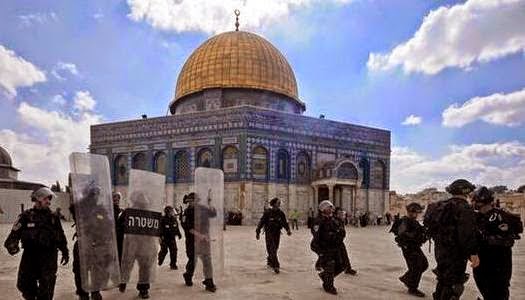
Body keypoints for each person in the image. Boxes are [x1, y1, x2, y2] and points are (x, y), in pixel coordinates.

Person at [4, 187, 69, 300]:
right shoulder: (26, 216)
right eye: (46, 199)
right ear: (38, 199)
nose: (49, 202)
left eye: (49, 199)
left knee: (46, 290)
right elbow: (14, 234)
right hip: (30, 257)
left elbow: (60, 236)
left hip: (48, 258)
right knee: (25, 286)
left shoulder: (53, 218)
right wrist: (12, 245)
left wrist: (65, 252)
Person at [424, 179, 479, 300]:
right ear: (467, 192)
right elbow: (466, 234)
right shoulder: (464, 208)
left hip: (440, 250)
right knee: (454, 284)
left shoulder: (439, 206)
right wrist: (473, 253)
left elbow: (429, 225)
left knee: (443, 279)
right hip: (456, 254)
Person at [471, 186, 522, 300]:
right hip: (485, 263)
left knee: (499, 292)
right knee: (490, 291)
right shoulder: (477, 217)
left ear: (479, 202)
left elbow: (514, 234)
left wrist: (490, 239)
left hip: (498, 263)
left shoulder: (501, 216)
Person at [70, 181, 115, 300]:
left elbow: (109, 224)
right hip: (83, 242)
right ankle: (83, 293)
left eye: (97, 194)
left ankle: (95, 291)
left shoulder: (101, 209)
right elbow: (73, 208)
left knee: (98, 269)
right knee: (80, 270)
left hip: (98, 244)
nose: (96, 196)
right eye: (93, 194)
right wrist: (86, 196)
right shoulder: (79, 207)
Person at [181, 192, 218, 292]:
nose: (192, 203)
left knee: (207, 260)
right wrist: (200, 236)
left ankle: (209, 281)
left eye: (194, 201)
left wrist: (210, 203)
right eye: (190, 201)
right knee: (193, 260)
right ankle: (188, 275)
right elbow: (188, 228)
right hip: (192, 240)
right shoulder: (186, 212)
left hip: (204, 240)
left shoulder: (202, 208)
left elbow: (213, 214)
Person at [310, 200, 345, 295]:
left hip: (334, 246)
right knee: (330, 264)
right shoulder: (318, 221)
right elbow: (316, 236)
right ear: (323, 209)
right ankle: (328, 286)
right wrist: (321, 252)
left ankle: (324, 276)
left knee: (341, 266)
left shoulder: (332, 219)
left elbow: (340, 231)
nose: (331, 209)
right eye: (329, 207)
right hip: (323, 247)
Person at [394, 202, 428, 297]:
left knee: (424, 264)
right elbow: (402, 234)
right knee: (416, 267)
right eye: (415, 212)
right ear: (410, 212)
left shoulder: (414, 221)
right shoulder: (404, 221)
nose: (416, 214)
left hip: (415, 247)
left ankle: (406, 278)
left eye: (417, 213)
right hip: (408, 248)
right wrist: (416, 235)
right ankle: (412, 288)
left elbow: (420, 231)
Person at [255, 197, 292, 274]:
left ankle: (270, 260)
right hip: (269, 233)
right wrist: (257, 232)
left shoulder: (281, 213)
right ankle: (276, 265)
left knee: (275, 248)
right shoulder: (267, 213)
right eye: (278, 202)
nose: (279, 203)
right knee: (272, 248)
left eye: (279, 202)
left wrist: (288, 230)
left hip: (277, 233)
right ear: (274, 203)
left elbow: (284, 222)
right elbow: (261, 222)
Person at [334, 207, 357, 276]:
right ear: (336, 214)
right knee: (336, 257)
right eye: (340, 213)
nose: (341, 214)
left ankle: (348, 268)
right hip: (335, 242)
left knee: (344, 255)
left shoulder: (340, 220)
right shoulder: (334, 221)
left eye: (342, 213)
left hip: (340, 241)